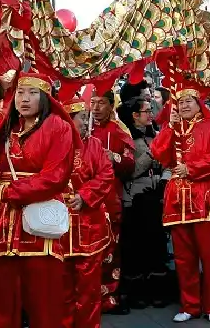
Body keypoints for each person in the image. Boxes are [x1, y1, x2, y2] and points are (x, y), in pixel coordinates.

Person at [0, 73, 75, 328]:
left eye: (32, 93)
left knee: (44, 302)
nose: (24, 99)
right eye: (20, 93)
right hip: (1, 227)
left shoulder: (58, 127)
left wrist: (7, 192)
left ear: (45, 98)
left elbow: (55, 177)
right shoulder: (5, 128)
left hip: (39, 223)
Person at [151, 85, 210, 323]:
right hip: (178, 200)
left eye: (188, 101)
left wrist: (191, 169)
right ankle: (190, 304)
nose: (184, 106)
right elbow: (158, 153)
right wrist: (169, 128)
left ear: (198, 104)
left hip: (205, 197)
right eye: (180, 102)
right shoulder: (172, 128)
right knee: (183, 258)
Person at [66, 93, 117, 328]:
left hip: (88, 225)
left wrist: (85, 196)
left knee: (88, 288)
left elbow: (106, 174)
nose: (86, 122)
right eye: (81, 117)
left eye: (87, 117)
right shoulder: (50, 144)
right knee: (59, 290)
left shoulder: (93, 144)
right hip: (57, 229)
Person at [117, 95, 169, 309]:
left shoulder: (155, 134)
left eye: (151, 110)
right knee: (135, 249)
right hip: (134, 199)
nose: (151, 114)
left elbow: (168, 161)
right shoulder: (127, 138)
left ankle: (158, 291)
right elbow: (131, 170)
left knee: (156, 246)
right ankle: (137, 293)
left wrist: (165, 180)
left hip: (156, 197)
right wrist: (152, 151)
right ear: (134, 116)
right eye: (146, 111)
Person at [88, 88, 133, 313]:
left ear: (111, 105)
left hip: (110, 198)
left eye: (101, 103)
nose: (95, 108)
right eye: (92, 102)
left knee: (111, 249)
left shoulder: (119, 130)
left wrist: (111, 156)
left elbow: (129, 164)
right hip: (83, 200)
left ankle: (109, 297)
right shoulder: (80, 127)